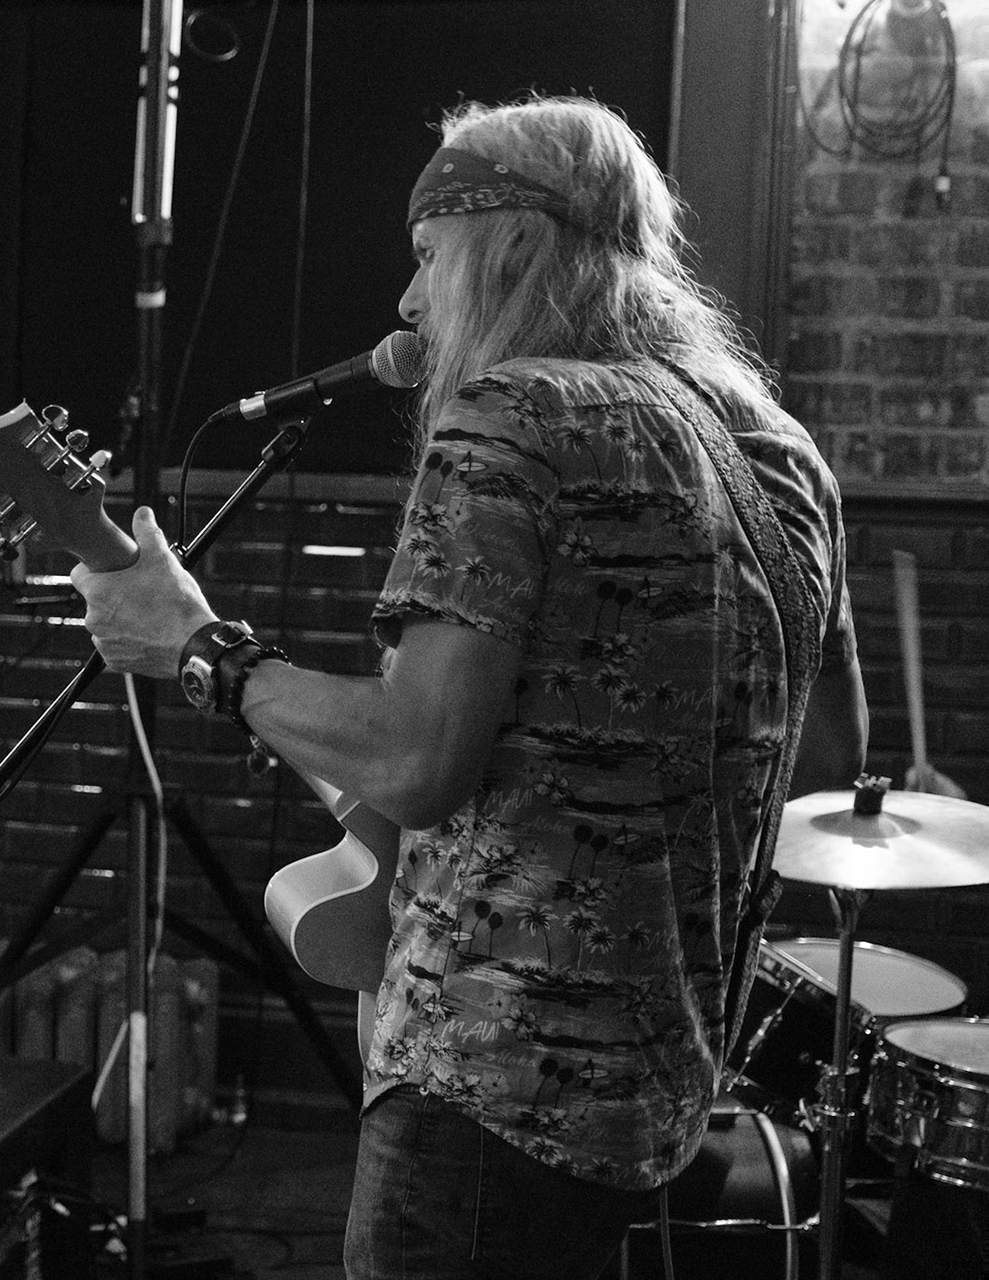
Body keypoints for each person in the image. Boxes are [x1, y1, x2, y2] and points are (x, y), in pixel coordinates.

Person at [72, 95, 868, 1279]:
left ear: (516, 241)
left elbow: (416, 760)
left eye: (428, 253)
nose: (408, 301)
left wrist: (203, 651)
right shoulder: (781, 454)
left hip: (484, 1090)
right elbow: (826, 753)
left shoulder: (517, 417)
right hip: (659, 1082)